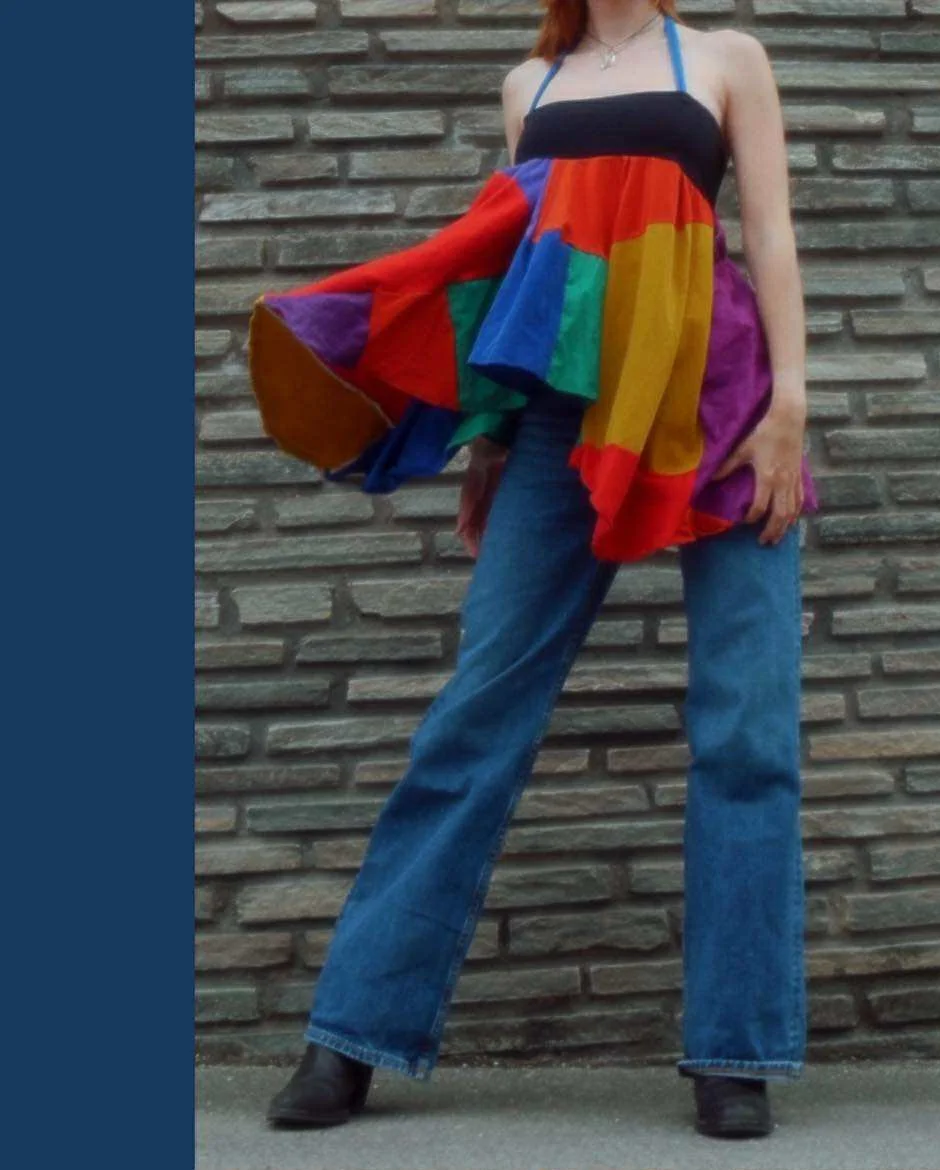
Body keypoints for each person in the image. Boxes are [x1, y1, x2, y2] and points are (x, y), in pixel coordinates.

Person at [250, 0, 814, 1141]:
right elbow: (526, 271)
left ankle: (735, 1051)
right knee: (477, 716)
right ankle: (351, 1033)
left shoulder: (725, 59)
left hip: (718, 397)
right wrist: (493, 443)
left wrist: (791, 407)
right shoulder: (533, 86)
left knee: (746, 731)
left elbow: (769, 230)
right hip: (564, 414)